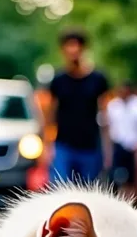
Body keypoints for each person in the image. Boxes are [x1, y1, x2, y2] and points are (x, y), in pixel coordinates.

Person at [47, 30, 111, 183]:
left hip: (90, 145)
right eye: (69, 46)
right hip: (63, 145)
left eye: (76, 45)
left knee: (88, 192)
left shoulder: (98, 79)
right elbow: (50, 114)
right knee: (60, 190)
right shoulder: (58, 80)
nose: (73, 50)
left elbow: (106, 115)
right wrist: (47, 145)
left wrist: (108, 149)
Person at [105, 82, 137, 197]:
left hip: (134, 146)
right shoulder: (113, 105)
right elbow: (108, 128)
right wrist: (108, 151)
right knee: (115, 178)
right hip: (118, 145)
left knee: (133, 179)